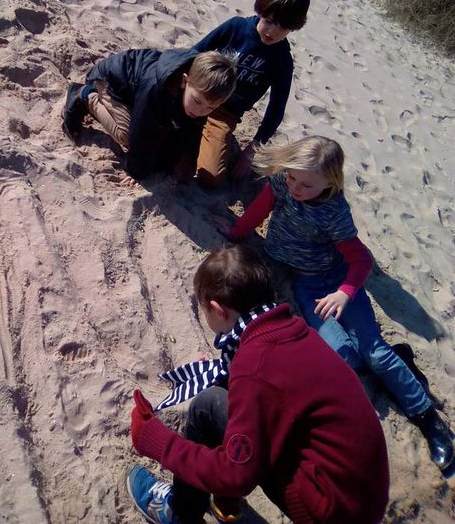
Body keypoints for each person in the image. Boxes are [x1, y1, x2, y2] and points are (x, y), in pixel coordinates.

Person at [217, 135, 453, 470]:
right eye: (293, 177)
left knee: (374, 351)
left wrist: (344, 292)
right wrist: (238, 232)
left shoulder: (334, 213)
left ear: (329, 181)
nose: (295, 186)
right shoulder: (285, 182)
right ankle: (402, 359)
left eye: (306, 184)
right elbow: (261, 206)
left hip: (337, 283)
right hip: (307, 285)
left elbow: (361, 261)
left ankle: (429, 419)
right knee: (344, 357)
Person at [127, 245, 390, 524]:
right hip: (363, 494)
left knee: (211, 420)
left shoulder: (253, 366)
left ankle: (179, 515)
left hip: (331, 511)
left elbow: (236, 475)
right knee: (212, 402)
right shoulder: (295, 330)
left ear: (218, 310)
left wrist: (154, 439)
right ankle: (221, 504)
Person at [193, 0, 310, 188]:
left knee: (210, 177)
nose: (272, 31)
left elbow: (276, 110)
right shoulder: (236, 27)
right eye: (269, 20)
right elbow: (194, 53)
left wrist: (251, 151)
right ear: (261, 10)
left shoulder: (282, 60)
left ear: (294, 27)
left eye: (283, 26)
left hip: (224, 115)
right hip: (200, 93)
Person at [62, 49, 236, 182]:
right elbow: (140, 130)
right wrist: (136, 173)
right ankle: (85, 96)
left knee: (167, 141)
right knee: (126, 136)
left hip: (137, 91)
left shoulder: (200, 93)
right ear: (185, 81)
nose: (200, 111)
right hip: (111, 82)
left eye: (210, 108)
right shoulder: (156, 86)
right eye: (197, 102)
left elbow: (190, 130)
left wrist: (173, 165)